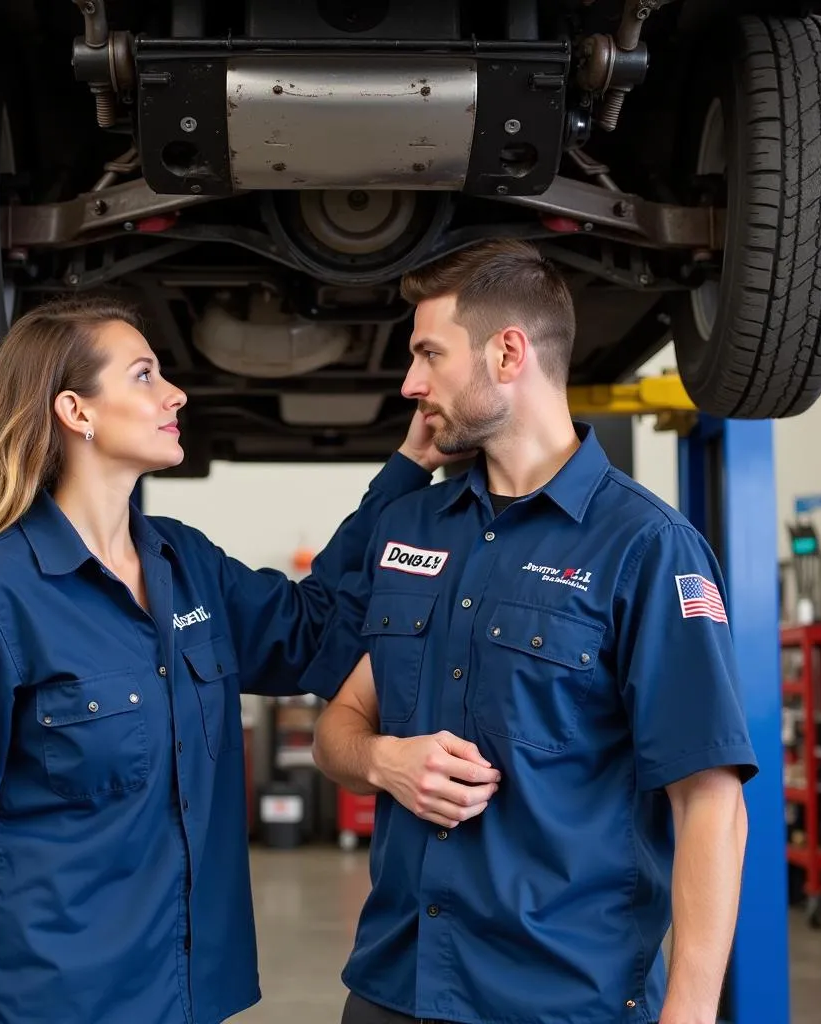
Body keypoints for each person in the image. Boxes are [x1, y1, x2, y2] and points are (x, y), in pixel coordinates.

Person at [0, 296, 444, 1024]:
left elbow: (312, 632)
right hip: (51, 1004)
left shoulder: (185, 563)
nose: (175, 393)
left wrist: (407, 468)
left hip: (184, 998)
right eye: (144, 375)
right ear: (76, 411)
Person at [310, 239, 759, 1024]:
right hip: (394, 986)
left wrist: (687, 1015)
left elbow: (710, 801)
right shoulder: (417, 526)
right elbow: (337, 730)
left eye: (429, 354)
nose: (412, 383)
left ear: (508, 352)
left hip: (558, 1000)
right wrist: (385, 761)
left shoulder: (646, 547)